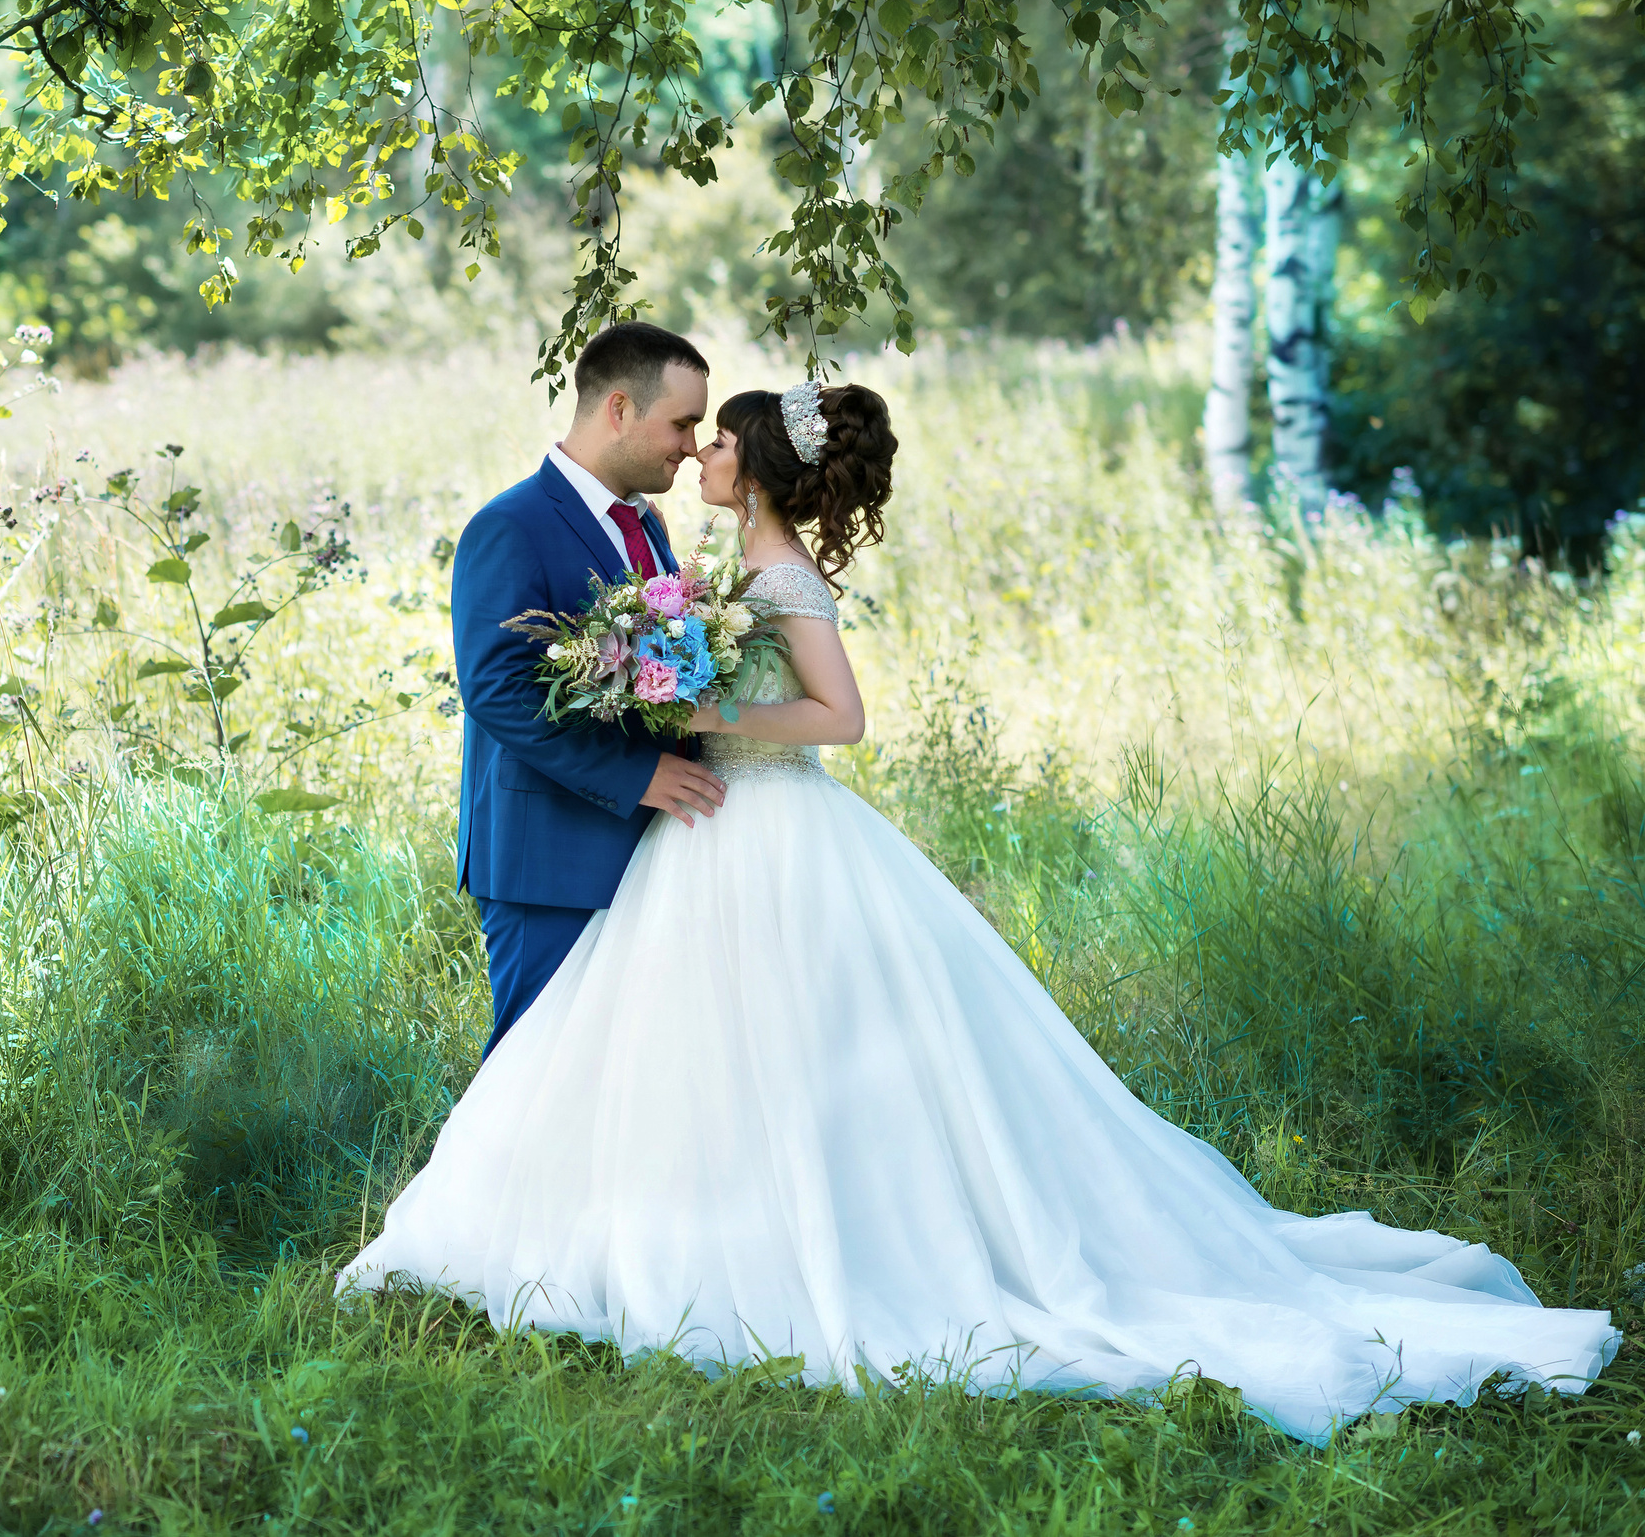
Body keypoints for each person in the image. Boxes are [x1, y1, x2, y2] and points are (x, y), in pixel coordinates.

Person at [344, 380, 1622, 1444]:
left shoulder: (780, 578)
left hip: (772, 827)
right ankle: (694, 1228)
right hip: (708, 834)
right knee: (709, 1055)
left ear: (760, 468)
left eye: (718, 438)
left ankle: (806, 1247)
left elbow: (839, 716)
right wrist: (668, 690)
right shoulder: (718, 565)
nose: (702, 453)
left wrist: (700, 706)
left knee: (800, 1055)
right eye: (697, 431)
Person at [449, 320, 729, 1054]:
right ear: (619, 409)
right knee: (535, 1069)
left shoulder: (647, 527)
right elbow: (497, 690)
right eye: (682, 422)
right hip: (549, 857)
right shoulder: (509, 526)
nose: (691, 446)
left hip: (646, 849)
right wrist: (638, 775)